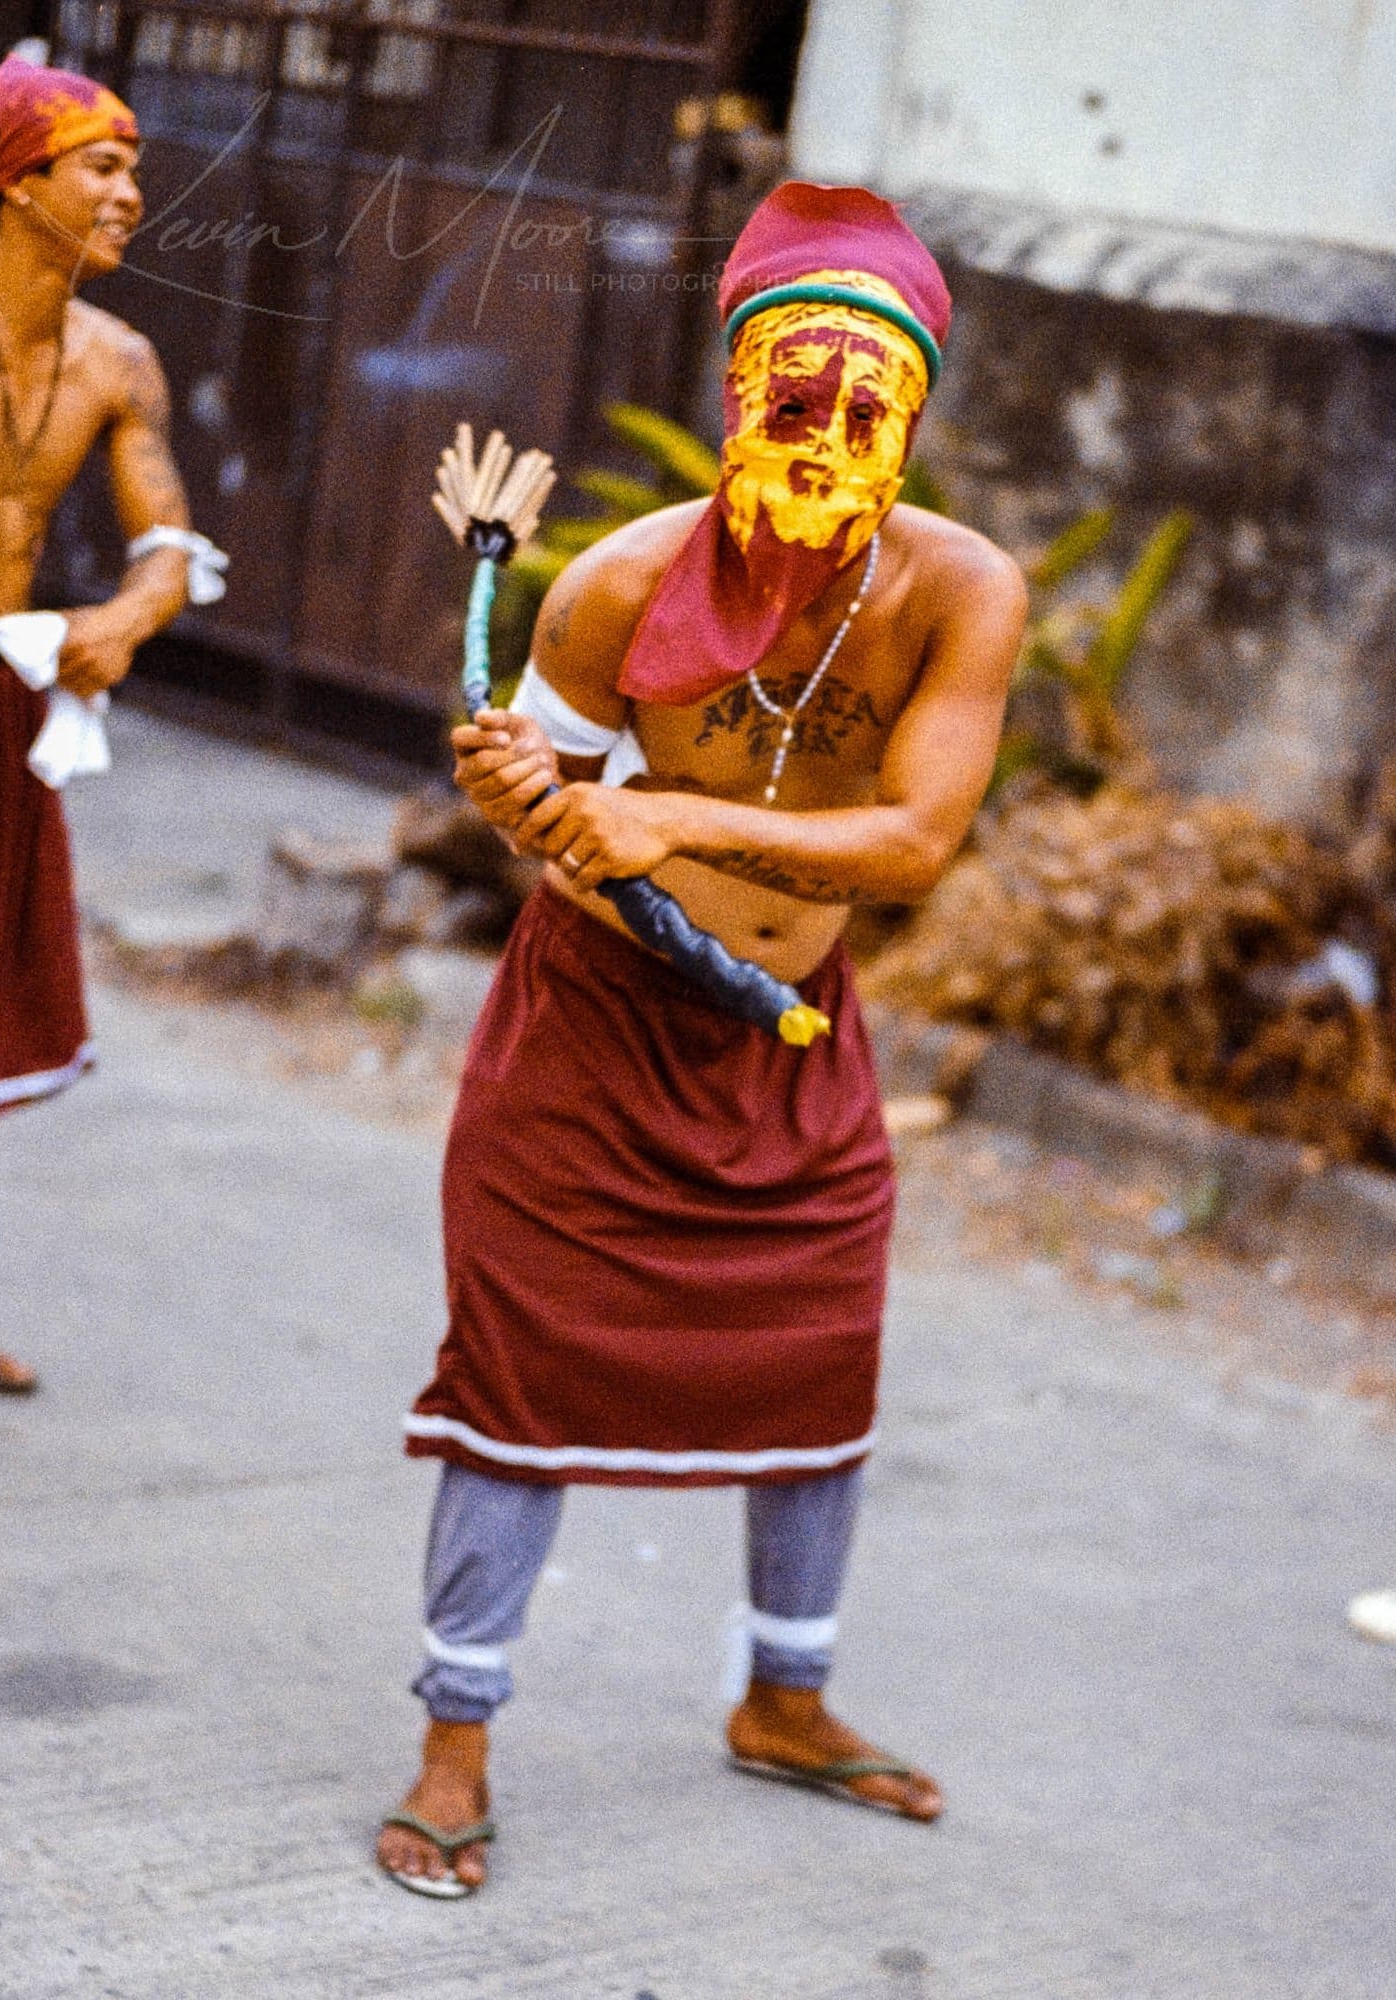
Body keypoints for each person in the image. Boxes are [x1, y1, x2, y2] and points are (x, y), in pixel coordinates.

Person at [377, 182, 1028, 1897]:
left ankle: (786, 1702)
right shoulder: (614, 586)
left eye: (859, 407)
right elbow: (540, 795)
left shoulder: (962, 594)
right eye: (788, 402)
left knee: (819, 1360)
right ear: (738, 399)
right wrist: (524, 793)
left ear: (915, 420)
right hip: (589, 1036)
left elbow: (914, 844)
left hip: (793, 1038)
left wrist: (671, 825)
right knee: (522, 1377)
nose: (820, 437)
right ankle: (455, 1744)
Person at [0, 52, 194, 1392]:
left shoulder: (121, 359)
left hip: (2, 712)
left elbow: (169, 539)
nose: (132, 193)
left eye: (134, 169)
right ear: (14, 179)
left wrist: (132, 613)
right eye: (104, 166)